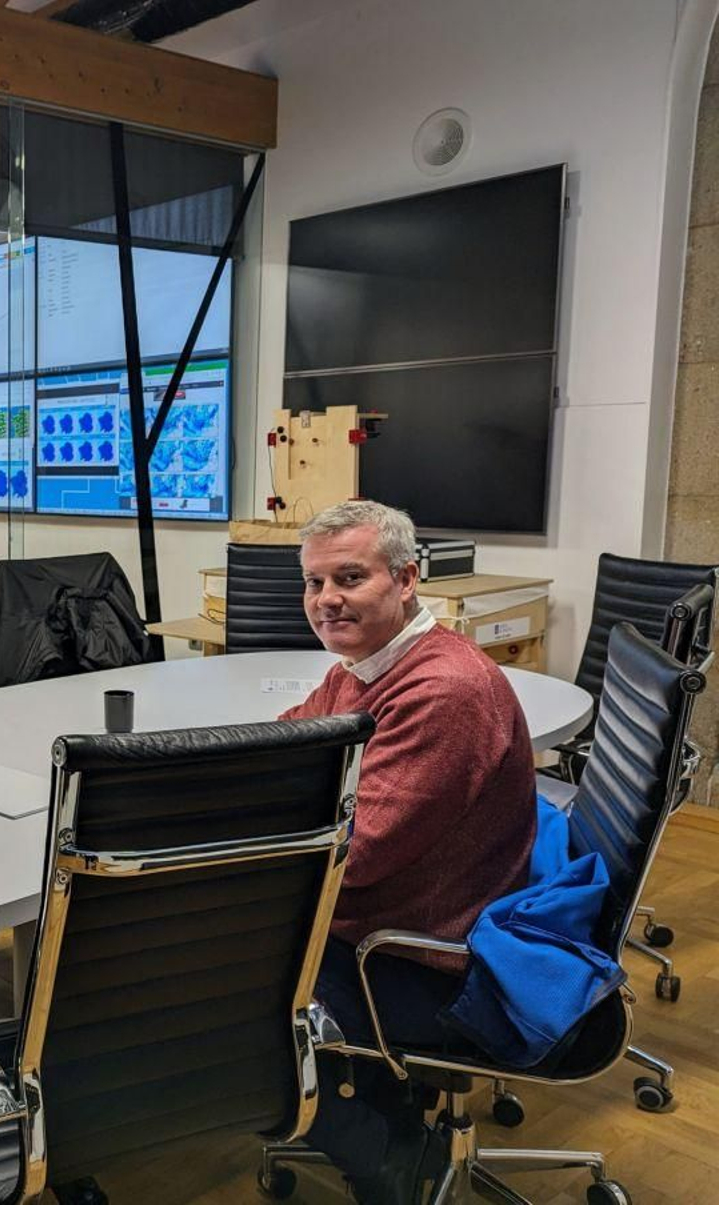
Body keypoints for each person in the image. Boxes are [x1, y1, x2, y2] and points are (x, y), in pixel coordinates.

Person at [278, 500, 537, 1204]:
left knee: (201, 965)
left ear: (406, 578)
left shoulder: (444, 690)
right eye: (313, 582)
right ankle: (374, 1107)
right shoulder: (366, 664)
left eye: (350, 577)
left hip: (421, 957)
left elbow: (353, 859)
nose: (326, 600)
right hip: (397, 917)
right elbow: (296, 738)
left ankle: (386, 1154)